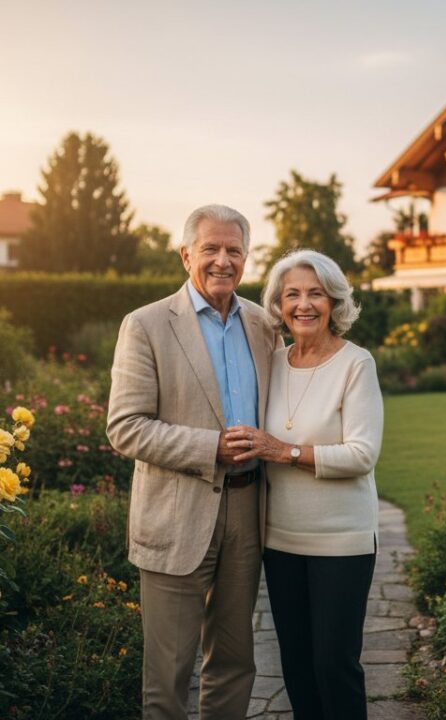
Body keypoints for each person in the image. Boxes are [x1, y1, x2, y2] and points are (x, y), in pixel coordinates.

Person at [107, 204, 281, 719]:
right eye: (211, 249)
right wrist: (211, 448)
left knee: (234, 661)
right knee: (169, 674)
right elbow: (126, 426)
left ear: (246, 258)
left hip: (249, 510)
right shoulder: (146, 324)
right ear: (186, 255)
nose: (223, 260)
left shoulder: (264, 324)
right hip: (176, 515)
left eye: (234, 250)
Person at [224, 249, 383, 720]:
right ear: (279, 304)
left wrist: (285, 452)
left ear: (334, 301)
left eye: (316, 293)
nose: (304, 304)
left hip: (342, 540)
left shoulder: (356, 364)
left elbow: (362, 454)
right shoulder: (271, 363)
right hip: (280, 541)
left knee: (333, 665)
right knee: (296, 665)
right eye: (292, 294)